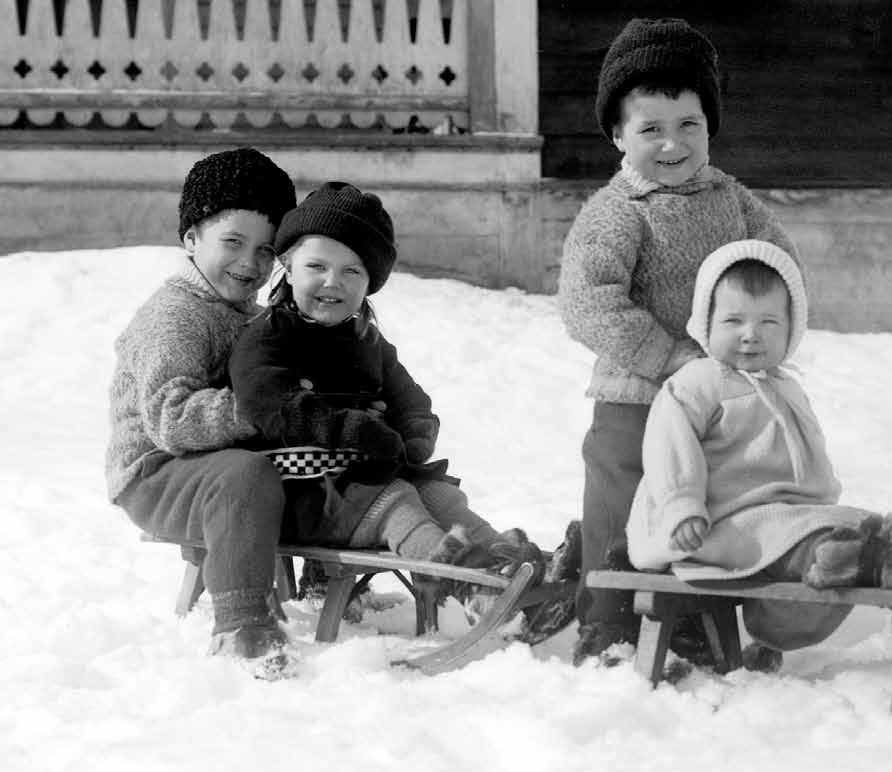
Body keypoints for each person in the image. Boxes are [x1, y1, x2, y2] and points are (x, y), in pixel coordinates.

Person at [228, 181, 579, 643]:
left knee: (438, 496)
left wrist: (410, 439)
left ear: (369, 282)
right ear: (287, 266)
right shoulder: (267, 338)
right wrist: (352, 429)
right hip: (305, 494)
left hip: (366, 479)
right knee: (396, 504)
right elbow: (271, 405)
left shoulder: (368, 343)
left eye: (352, 271)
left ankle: (515, 570)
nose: (333, 282)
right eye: (317, 266)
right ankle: (474, 585)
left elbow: (413, 404)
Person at [626, 240, 892, 669]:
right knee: (833, 545)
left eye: (768, 321)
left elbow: (808, 459)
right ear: (705, 323)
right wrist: (681, 506)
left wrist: (821, 505)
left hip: (781, 522)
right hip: (717, 523)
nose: (751, 334)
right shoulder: (699, 381)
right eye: (734, 320)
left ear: (791, 330)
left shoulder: (786, 387)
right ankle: (888, 553)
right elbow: (667, 445)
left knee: (848, 530)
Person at [557, 17, 801, 665]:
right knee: (626, 502)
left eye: (687, 124)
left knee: (708, 506)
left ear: (709, 125)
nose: (672, 144)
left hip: (716, 404)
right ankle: (606, 624)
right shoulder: (618, 211)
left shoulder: (733, 202)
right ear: (617, 134)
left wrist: (760, 332)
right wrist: (670, 357)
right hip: (635, 398)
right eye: (650, 129)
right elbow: (588, 301)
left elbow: (776, 268)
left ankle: (691, 619)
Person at [106, 147, 298, 664]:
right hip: (154, 472)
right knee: (245, 476)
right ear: (191, 239)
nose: (249, 263)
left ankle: (353, 579)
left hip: (212, 465)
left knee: (312, 461)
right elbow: (170, 418)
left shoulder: (247, 316)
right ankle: (242, 624)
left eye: (265, 251)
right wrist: (260, 408)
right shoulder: (177, 315)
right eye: (233, 242)